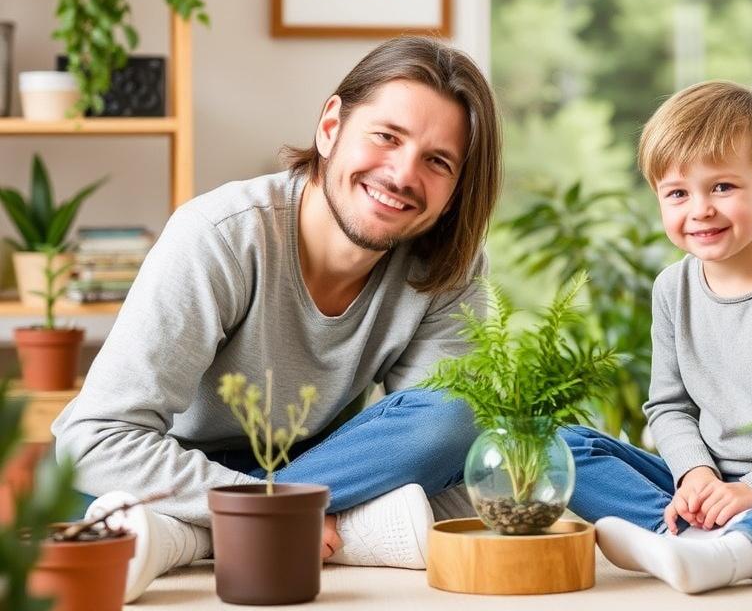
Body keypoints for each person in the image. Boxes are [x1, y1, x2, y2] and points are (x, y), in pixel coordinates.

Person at [52, 36, 502, 601]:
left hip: (332, 469)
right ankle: (317, 528)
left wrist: (270, 501)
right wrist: (268, 504)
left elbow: (439, 436)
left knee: (466, 424)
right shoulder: (221, 235)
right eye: (387, 137)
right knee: (89, 492)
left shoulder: (449, 265)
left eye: (438, 162)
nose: (402, 174)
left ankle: (189, 537)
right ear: (331, 126)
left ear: (456, 190)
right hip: (174, 468)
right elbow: (93, 441)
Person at [559, 80, 752, 593]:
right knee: (561, 444)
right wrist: (696, 476)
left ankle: (740, 547)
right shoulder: (671, 288)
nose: (700, 209)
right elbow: (669, 406)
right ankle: (677, 532)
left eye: (722, 187)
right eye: (678, 193)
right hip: (709, 484)